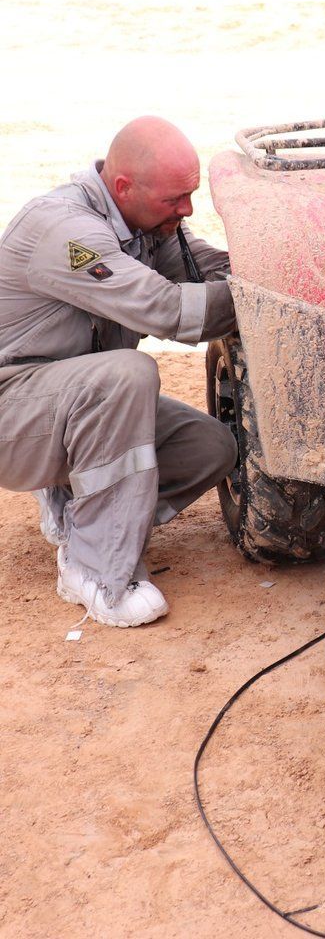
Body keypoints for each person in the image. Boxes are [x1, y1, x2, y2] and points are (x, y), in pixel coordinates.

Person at [0, 116, 238, 628]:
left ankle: (75, 505)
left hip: (71, 407)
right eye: (175, 199)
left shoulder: (144, 226)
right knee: (129, 373)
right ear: (123, 187)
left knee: (210, 448)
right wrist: (257, 303)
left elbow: (211, 269)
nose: (187, 210)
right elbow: (167, 310)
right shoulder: (66, 231)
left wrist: (275, 272)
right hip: (12, 413)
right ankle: (94, 569)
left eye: (190, 195)